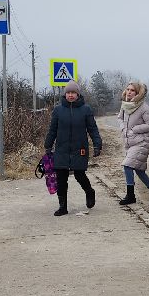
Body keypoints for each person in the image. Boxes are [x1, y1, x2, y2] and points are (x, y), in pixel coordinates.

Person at [44, 79, 101, 216]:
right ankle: (62, 207)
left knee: (79, 174)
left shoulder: (86, 109)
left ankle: (89, 192)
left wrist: (97, 144)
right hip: (61, 149)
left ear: (78, 94)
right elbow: (52, 130)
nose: (70, 95)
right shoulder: (58, 110)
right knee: (61, 178)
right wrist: (48, 145)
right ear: (65, 94)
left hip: (79, 148)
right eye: (68, 92)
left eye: (73, 93)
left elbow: (92, 129)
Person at [116, 80, 149, 208]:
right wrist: (123, 128)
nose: (129, 92)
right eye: (128, 89)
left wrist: (134, 129)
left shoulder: (144, 107)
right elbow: (120, 118)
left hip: (142, 141)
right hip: (130, 141)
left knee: (127, 165)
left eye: (132, 90)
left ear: (137, 93)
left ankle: (130, 195)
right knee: (139, 170)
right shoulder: (125, 105)